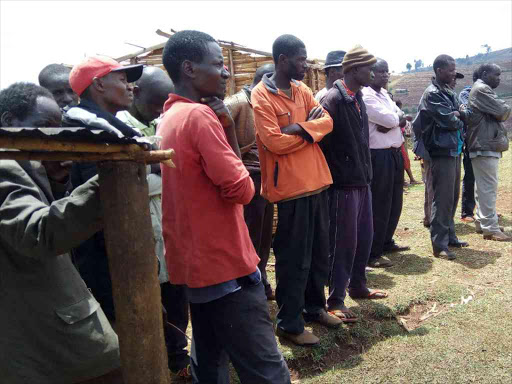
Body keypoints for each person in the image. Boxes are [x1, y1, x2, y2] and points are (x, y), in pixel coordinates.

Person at [159, 30, 291, 383]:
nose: (226, 72)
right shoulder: (199, 118)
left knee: (210, 358)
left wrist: (228, 126)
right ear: (189, 68)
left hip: (195, 265)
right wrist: (229, 132)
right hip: (225, 266)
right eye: (217, 64)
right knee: (265, 369)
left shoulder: (170, 117)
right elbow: (243, 189)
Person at [0, 82, 121, 384]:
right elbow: (37, 233)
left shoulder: (22, 164)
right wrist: (108, 182)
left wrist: (54, 183)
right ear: (7, 122)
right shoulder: (5, 167)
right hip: (47, 333)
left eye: (57, 129)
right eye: (43, 127)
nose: (52, 138)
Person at [252, 34, 341, 346]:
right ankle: (289, 323)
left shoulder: (303, 89)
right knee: (294, 258)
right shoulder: (261, 96)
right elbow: (272, 141)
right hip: (290, 189)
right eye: (301, 60)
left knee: (318, 253)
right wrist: (309, 131)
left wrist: (298, 128)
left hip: (317, 181)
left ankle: (315, 308)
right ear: (282, 60)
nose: (305, 65)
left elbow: (327, 122)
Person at [116, 67, 191, 378]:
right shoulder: (121, 128)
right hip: (140, 231)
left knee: (177, 298)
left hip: (169, 226)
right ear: (136, 93)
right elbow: (127, 182)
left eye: (165, 104)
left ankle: (178, 359)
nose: (161, 110)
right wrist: (165, 175)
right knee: (149, 305)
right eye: (155, 103)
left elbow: (178, 173)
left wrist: (162, 175)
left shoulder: (162, 121)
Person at [65, 55, 144, 322]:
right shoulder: (90, 133)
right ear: (98, 85)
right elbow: (104, 206)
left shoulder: (106, 129)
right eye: (122, 80)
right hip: (109, 259)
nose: (131, 86)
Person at [320, 45, 388, 323]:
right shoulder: (332, 100)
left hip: (362, 181)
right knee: (343, 242)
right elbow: (322, 145)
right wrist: (339, 173)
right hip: (343, 185)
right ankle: (336, 299)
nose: (372, 73)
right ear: (353, 69)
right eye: (368, 69)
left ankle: (358, 285)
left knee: (364, 237)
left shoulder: (357, 97)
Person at [224, 63, 276, 300]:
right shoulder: (236, 103)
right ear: (265, 78)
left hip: (266, 177)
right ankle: (249, 287)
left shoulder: (266, 103)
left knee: (265, 236)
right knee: (251, 236)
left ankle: (261, 280)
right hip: (248, 178)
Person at [415, 55, 469, 260]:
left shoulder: (448, 91)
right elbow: (450, 121)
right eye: (450, 70)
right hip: (440, 151)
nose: (454, 73)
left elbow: (465, 113)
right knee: (442, 198)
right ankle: (439, 245)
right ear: (439, 71)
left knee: (452, 197)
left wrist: (459, 114)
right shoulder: (432, 94)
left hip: (453, 149)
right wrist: (458, 115)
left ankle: (450, 236)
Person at [362, 59, 410, 269]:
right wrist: (395, 120)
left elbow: (401, 119)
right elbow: (393, 120)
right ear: (370, 73)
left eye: (387, 71)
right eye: (380, 71)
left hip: (394, 153)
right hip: (378, 156)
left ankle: (387, 241)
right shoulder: (366, 95)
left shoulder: (384, 96)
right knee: (380, 204)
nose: (385, 75)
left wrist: (395, 119)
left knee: (394, 201)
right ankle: (373, 251)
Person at [467, 63, 511, 241]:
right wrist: (503, 109)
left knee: (482, 187)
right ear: (485, 74)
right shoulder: (482, 89)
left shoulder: (481, 88)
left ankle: (482, 221)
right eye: (496, 75)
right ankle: (490, 228)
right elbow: (503, 110)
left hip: (484, 144)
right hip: (484, 144)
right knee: (488, 188)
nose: (499, 79)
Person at [458, 70, 480, 223]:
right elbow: (471, 114)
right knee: (471, 176)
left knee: (484, 178)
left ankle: (484, 209)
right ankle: (467, 211)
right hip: (471, 141)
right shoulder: (466, 93)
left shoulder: (488, 96)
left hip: (485, 142)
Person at [395, 99, 420, 186]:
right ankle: (408, 180)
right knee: (404, 159)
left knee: (404, 159)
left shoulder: (397, 113)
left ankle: (408, 179)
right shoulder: (398, 113)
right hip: (400, 139)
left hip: (401, 138)